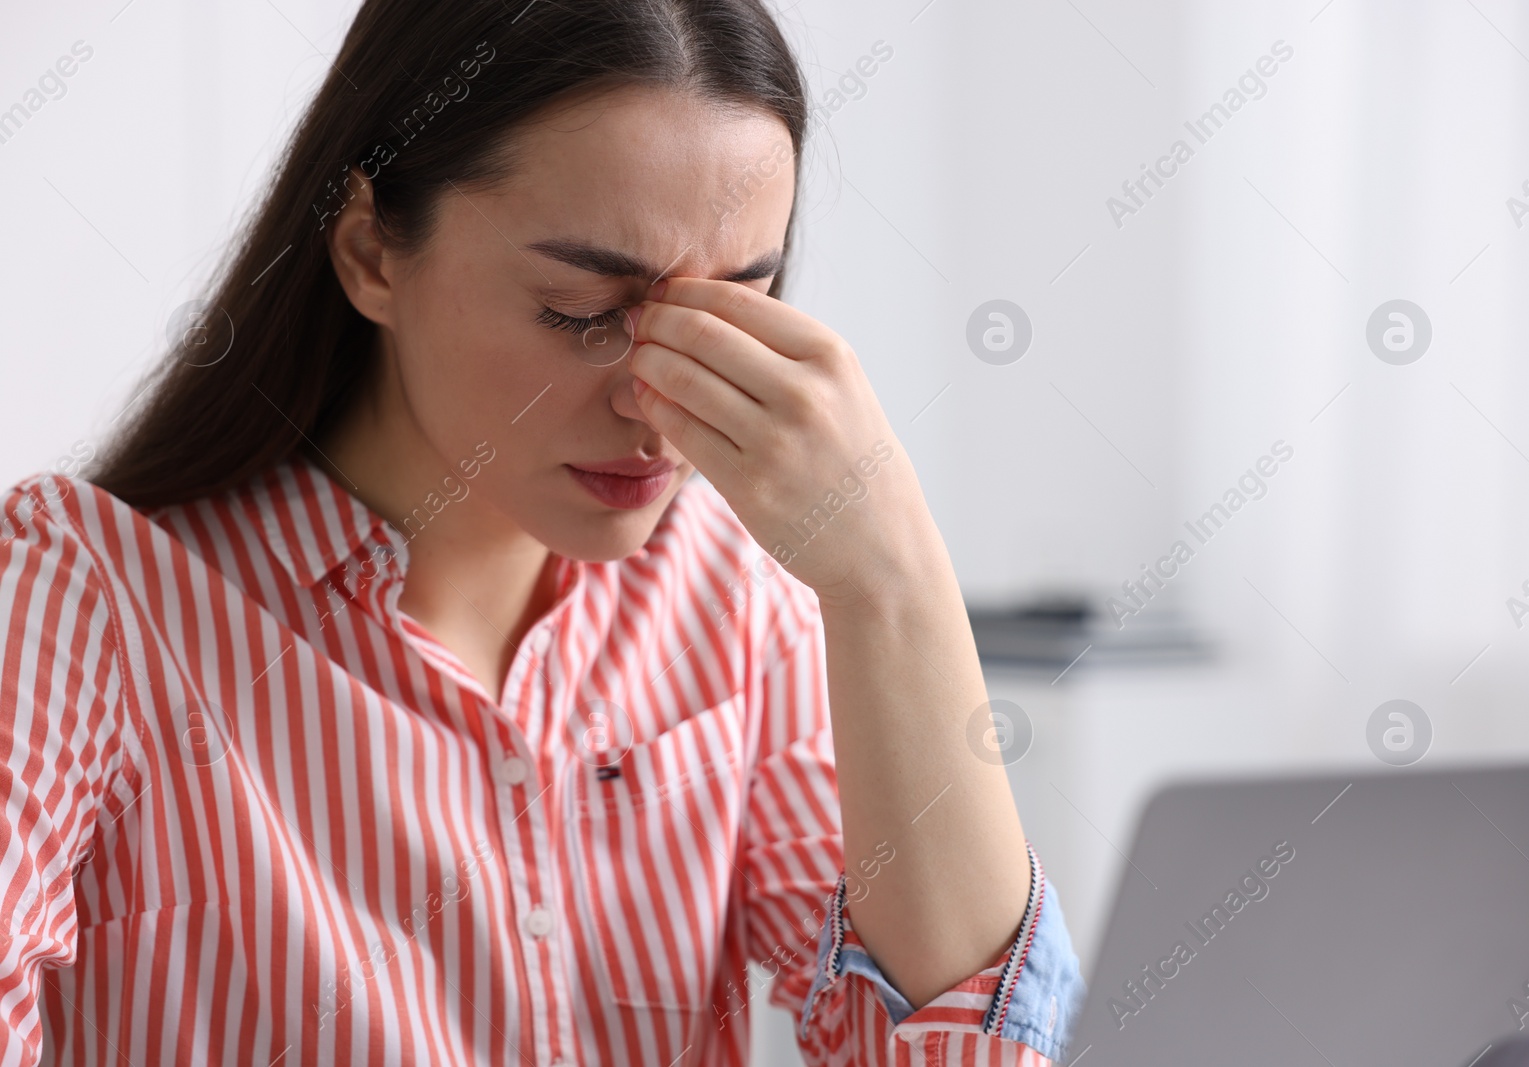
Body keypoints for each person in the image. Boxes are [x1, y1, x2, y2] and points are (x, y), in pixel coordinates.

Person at [0, 0, 1084, 1062]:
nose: (655, 401)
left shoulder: (733, 606)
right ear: (373, 253)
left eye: (730, 316)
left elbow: (948, 1053)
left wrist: (892, 576)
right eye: (584, 313)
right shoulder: (91, 597)